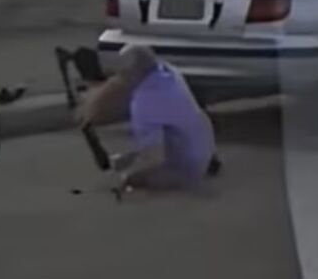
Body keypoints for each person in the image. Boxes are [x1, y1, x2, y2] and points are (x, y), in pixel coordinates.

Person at [78, 45, 219, 192]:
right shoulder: (170, 71)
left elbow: (154, 158)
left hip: (189, 166)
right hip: (204, 145)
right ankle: (206, 161)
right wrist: (126, 158)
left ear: (132, 74)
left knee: (131, 179)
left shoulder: (144, 103)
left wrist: (129, 175)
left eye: (123, 74)